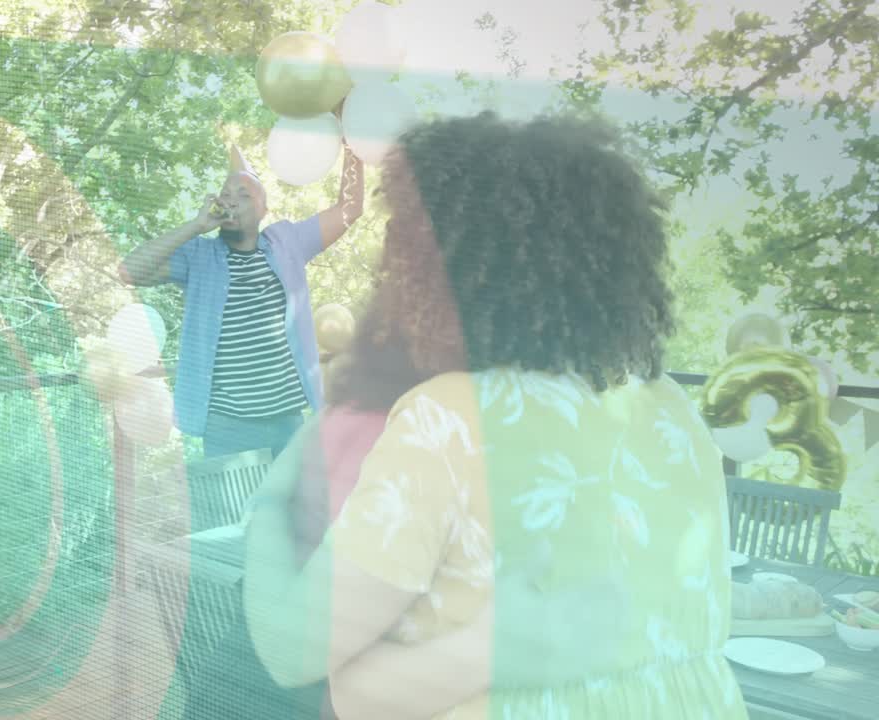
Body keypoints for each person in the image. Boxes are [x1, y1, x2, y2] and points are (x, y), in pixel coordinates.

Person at [243, 112, 748, 720]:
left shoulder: (449, 420)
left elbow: (292, 651)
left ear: (436, 266)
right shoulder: (672, 407)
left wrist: (269, 501)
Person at [119, 141, 363, 459]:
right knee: (238, 510)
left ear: (264, 209)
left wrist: (353, 143)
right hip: (227, 429)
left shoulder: (287, 242)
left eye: (244, 195)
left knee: (294, 509)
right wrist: (196, 226)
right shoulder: (199, 256)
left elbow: (350, 208)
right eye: (226, 194)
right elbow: (129, 271)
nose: (231, 201)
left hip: (289, 423)